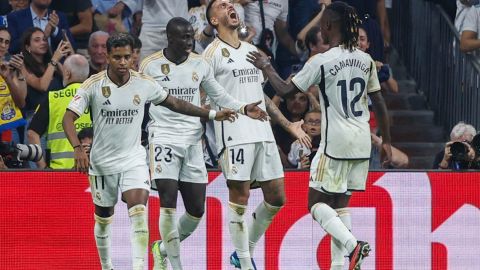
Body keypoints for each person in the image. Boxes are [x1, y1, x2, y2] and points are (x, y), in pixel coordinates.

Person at [62, 32, 237, 270]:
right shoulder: (93, 85)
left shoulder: (143, 82)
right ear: (108, 58)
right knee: (103, 218)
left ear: (133, 57)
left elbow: (176, 103)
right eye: (117, 57)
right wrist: (78, 149)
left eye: (127, 57)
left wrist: (213, 114)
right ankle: (106, 266)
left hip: (133, 159)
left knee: (139, 213)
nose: (123, 63)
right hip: (102, 162)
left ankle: (139, 266)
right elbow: (68, 118)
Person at [246, 2, 392, 269]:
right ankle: (342, 264)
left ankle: (353, 246)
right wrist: (388, 143)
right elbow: (380, 102)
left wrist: (267, 66)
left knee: (315, 204)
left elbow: (286, 90)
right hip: (362, 141)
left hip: (335, 142)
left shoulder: (322, 60)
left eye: (322, 21)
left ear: (326, 26)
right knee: (338, 206)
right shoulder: (365, 59)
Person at [140, 17, 268, 270]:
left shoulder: (199, 63)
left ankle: (161, 248)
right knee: (167, 200)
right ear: (170, 38)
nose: (189, 41)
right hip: (163, 136)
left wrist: (242, 107)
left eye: (191, 36)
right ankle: (176, 266)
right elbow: (140, 104)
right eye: (184, 37)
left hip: (192, 139)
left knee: (197, 210)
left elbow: (218, 93)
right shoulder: (150, 65)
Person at [204, 1, 311, 269]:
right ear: (214, 20)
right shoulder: (211, 54)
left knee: (277, 198)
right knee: (239, 198)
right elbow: (201, 97)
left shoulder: (253, 51)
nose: (231, 6)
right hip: (234, 134)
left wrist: (289, 125)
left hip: (263, 134)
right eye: (222, 5)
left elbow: (261, 97)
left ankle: (242, 253)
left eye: (231, 3)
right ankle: (244, 260)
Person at [27, 54, 91, 169]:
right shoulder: (96, 98)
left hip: (59, 174)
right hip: (91, 171)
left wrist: (43, 168)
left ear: (67, 73)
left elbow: (32, 134)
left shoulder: (52, 98)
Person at [7, 0, 74, 54]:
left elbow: (71, 47)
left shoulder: (60, 16)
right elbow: (12, 48)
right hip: (27, 67)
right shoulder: (15, 17)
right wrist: (44, 36)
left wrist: (55, 30)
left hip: (56, 68)